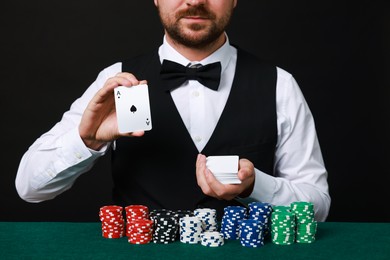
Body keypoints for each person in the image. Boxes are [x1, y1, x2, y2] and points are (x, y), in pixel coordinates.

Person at [15, 0, 330, 221]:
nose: (195, 0)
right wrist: (86, 141)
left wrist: (254, 186)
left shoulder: (280, 84)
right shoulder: (116, 81)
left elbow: (318, 204)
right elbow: (30, 188)